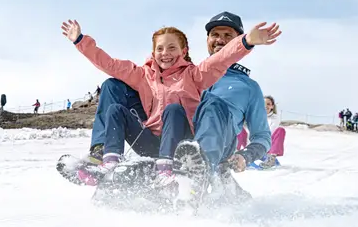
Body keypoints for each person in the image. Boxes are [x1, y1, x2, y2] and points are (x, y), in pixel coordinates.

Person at [62, 17, 279, 184]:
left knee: (181, 108)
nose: (165, 53)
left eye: (227, 35)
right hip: (156, 139)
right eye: (215, 34)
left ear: (183, 51)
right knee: (113, 90)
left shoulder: (203, 75)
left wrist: (246, 42)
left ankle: (196, 169)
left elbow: (221, 60)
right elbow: (110, 64)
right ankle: (106, 160)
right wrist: (80, 41)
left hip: (198, 142)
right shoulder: (146, 75)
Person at [169, 12, 281, 195]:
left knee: (213, 105)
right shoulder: (189, 74)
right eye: (215, 35)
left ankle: (198, 180)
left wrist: (245, 156)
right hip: (180, 141)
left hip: (222, 146)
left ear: (238, 41)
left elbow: (262, 137)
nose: (220, 40)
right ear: (207, 39)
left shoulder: (248, 87)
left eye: (228, 35)